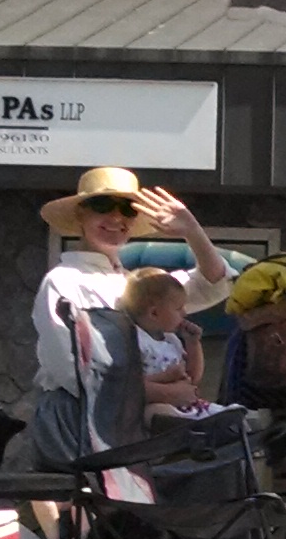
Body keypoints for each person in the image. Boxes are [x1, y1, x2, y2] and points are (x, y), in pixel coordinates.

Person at [29, 167, 227, 464]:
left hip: (131, 420)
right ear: (80, 215)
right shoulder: (63, 281)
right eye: (101, 206)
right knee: (92, 505)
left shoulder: (135, 284)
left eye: (127, 208)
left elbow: (211, 286)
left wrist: (192, 231)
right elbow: (70, 372)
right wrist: (163, 393)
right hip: (79, 419)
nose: (116, 218)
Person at [121, 268, 214, 416]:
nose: (184, 313)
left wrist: (193, 343)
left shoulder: (171, 339)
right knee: (160, 412)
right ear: (154, 313)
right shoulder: (136, 341)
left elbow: (192, 378)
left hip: (185, 404)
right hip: (153, 410)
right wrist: (165, 377)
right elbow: (129, 385)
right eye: (178, 309)